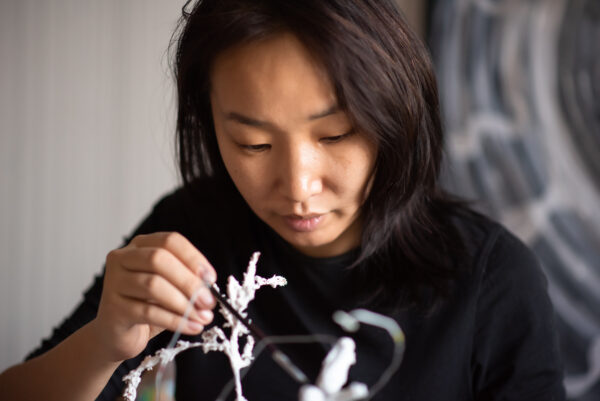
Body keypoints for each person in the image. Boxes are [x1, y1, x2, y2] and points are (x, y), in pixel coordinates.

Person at [0, 0, 566, 400]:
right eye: (254, 144)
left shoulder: (492, 280)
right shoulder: (194, 232)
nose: (297, 188)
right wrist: (103, 342)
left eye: (335, 135)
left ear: (394, 115)